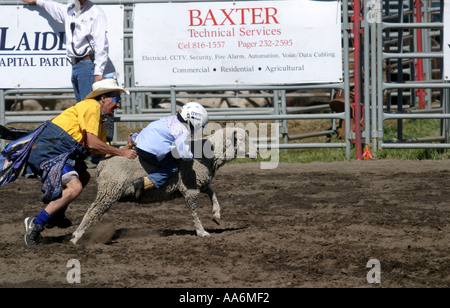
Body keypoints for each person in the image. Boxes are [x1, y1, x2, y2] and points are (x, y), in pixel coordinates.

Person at [0, 79, 137, 247]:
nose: (118, 105)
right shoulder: (91, 107)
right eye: (116, 99)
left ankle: (56, 215)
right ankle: (36, 224)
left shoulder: (97, 116)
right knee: (75, 187)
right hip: (48, 149)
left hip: (55, 149)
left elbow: (101, 151)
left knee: (84, 176)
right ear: (103, 98)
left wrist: (126, 147)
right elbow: (93, 144)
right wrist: (123, 152)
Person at [21, 0, 116, 144]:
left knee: (89, 110)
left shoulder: (95, 13)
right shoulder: (71, 9)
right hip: (78, 64)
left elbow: (101, 44)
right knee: (84, 110)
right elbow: (55, 8)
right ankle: (90, 149)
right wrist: (37, 1)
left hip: (87, 64)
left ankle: (98, 151)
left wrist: (98, 73)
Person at [132, 102, 209, 201]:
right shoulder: (182, 130)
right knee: (171, 169)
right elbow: (184, 154)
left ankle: (133, 140)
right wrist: (191, 155)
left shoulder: (172, 119)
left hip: (140, 140)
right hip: (148, 151)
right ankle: (143, 183)